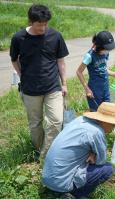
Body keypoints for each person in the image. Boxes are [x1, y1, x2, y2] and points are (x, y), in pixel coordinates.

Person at [9, 4, 69, 158]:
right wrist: (22, 75)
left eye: (45, 24)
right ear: (30, 21)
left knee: (56, 121)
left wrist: (64, 84)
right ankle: (40, 150)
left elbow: (60, 62)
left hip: (53, 87)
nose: (43, 28)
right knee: (35, 124)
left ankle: (46, 157)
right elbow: (14, 60)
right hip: (30, 89)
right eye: (39, 24)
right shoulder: (18, 38)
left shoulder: (55, 36)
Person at [42, 102, 115, 199]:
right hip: (61, 184)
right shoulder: (97, 132)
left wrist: (92, 153)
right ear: (106, 122)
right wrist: (94, 155)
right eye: (114, 124)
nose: (114, 127)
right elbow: (101, 161)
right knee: (107, 169)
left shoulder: (80, 120)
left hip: (48, 177)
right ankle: (75, 194)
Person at [76, 31, 115, 112]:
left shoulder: (105, 53)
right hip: (94, 89)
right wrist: (87, 89)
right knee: (96, 113)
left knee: (107, 110)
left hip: (105, 87)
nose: (108, 51)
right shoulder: (89, 56)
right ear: (99, 47)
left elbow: (103, 69)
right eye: (107, 49)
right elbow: (79, 72)